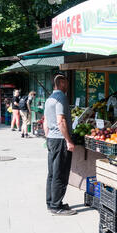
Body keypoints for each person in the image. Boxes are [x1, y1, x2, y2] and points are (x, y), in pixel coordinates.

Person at [43, 74, 76, 216]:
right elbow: (61, 121)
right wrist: (68, 140)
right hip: (60, 140)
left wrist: (48, 136)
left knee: (52, 173)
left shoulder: (50, 98)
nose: (67, 85)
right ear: (61, 83)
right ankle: (57, 207)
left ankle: (51, 202)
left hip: (51, 139)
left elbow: (45, 121)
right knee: (60, 173)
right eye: (66, 82)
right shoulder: (61, 97)